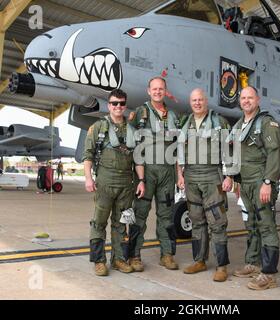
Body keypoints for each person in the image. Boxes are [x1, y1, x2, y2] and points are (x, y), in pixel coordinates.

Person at [82, 89, 145, 276]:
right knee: (99, 222)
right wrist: (87, 178)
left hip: (127, 183)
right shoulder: (99, 127)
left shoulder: (132, 130)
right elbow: (88, 156)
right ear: (109, 105)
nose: (118, 107)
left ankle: (118, 259)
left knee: (121, 223)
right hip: (105, 181)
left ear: (125, 105)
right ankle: (99, 261)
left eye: (122, 103)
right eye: (115, 103)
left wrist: (141, 181)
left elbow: (138, 160)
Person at [177, 88, 233, 282]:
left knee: (217, 222)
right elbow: (179, 151)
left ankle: (221, 266)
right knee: (197, 221)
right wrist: (180, 175)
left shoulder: (219, 122)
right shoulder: (185, 123)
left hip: (212, 176)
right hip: (191, 175)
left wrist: (229, 176)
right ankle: (199, 260)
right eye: (194, 100)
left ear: (206, 101)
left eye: (200, 100)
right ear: (190, 102)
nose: (197, 103)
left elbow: (230, 150)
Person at [231, 86, 280, 290]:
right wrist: (236, 180)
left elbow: (275, 154)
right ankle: (253, 263)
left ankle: (269, 274)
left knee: (266, 226)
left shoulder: (266, 123)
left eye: (250, 97)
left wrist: (268, 182)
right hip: (245, 184)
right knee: (251, 224)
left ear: (257, 99)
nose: (246, 101)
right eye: (243, 98)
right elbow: (235, 154)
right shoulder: (239, 125)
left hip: (261, 182)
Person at [128, 77, 180, 272]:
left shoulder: (174, 116)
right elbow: (130, 143)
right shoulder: (140, 114)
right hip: (147, 171)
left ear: (165, 91)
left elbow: (176, 149)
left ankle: (167, 254)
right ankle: (134, 255)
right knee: (139, 215)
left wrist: (179, 175)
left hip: (167, 172)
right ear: (148, 91)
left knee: (166, 216)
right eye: (154, 89)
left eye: (161, 89)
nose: (158, 92)